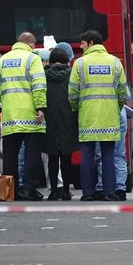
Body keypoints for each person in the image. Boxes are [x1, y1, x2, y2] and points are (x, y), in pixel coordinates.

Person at [69, 30, 128, 202]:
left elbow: (72, 92)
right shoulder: (116, 63)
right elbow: (122, 92)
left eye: (83, 43)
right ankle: (109, 192)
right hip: (109, 115)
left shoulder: (79, 64)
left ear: (92, 43)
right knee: (108, 154)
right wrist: (116, 107)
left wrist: (76, 108)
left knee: (87, 155)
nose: (80, 46)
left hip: (87, 114)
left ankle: (88, 193)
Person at [0, 32, 47, 201]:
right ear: (31, 44)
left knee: (10, 156)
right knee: (32, 155)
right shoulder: (33, 58)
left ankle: (10, 191)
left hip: (9, 115)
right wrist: (41, 107)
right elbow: (38, 85)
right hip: (30, 114)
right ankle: (29, 189)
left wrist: (4, 101)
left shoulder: (2, 60)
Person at [43, 48, 79, 201]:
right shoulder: (71, 74)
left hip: (49, 117)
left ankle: (53, 191)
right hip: (68, 117)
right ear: (66, 60)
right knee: (66, 157)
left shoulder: (44, 74)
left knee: (52, 157)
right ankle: (65, 191)